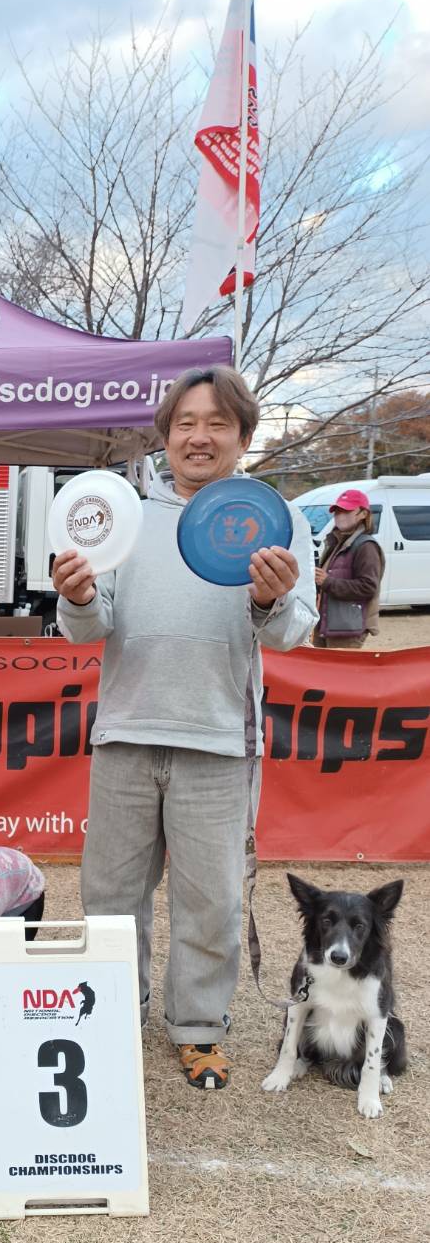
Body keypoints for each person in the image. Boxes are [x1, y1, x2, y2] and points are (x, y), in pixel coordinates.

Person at [52, 367, 317, 1091]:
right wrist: (76, 596)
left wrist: (270, 599)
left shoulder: (274, 518)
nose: (199, 437)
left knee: (211, 900)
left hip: (220, 741)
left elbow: (293, 630)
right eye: (185, 423)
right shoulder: (125, 516)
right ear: (165, 436)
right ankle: (111, 1015)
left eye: (217, 423)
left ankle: (199, 1028)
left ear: (243, 436)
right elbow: (88, 625)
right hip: (125, 733)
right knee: (110, 896)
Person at [313, 489, 384, 649]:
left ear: (363, 514)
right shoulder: (336, 543)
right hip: (327, 625)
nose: (340, 515)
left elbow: (368, 587)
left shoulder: (366, 546)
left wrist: (328, 582)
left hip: (348, 628)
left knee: (341, 667)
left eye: (346, 511)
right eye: (337, 511)